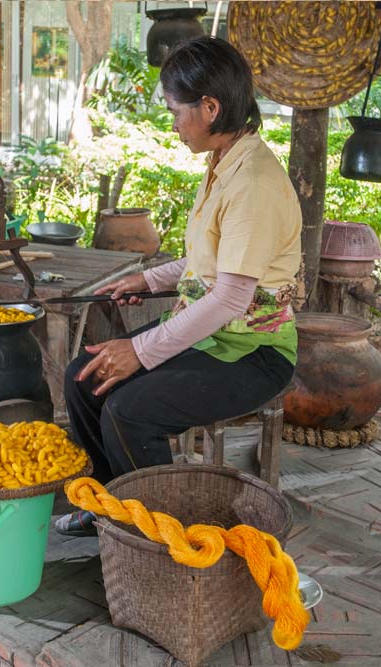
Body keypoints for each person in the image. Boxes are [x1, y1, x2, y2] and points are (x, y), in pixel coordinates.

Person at [55, 36, 302, 537]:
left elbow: (232, 296)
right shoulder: (223, 163)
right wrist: (146, 278)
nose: (173, 124)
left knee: (129, 411)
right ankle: (110, 508)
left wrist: (141, 350)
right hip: (215, 338)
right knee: (85, 377)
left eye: (175, 110)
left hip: (253, 352)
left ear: (210, 107)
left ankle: (159, 539)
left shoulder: (251, 182)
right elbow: (209, 260)